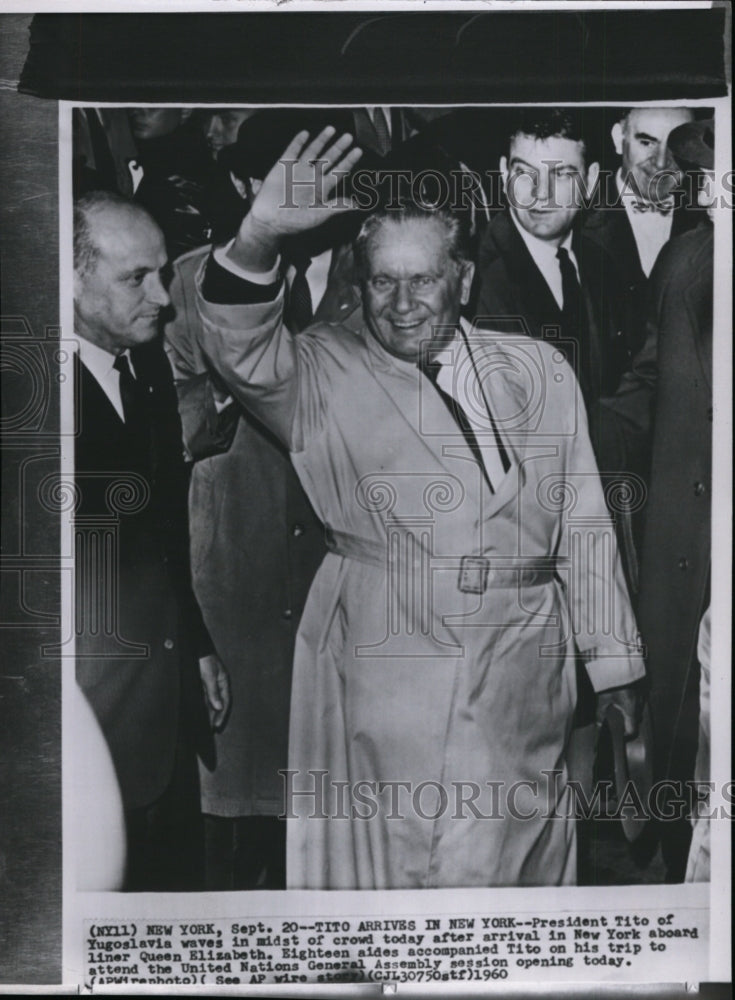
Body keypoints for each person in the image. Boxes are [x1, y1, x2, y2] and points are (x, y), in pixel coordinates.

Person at [194, 127, 645, 890]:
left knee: (517, 876)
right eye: (381, 282)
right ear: (359, 281)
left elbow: (582, 523)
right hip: (386, 668)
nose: (401, 305)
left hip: (524, 676)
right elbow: (237, 345)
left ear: (462, 280)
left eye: (423, 280)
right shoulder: (319, 369)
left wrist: (615, 670)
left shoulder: (537, 368)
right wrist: (257, 236)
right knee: (402, 877)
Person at [163, 109, 354, 890]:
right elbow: (171, 432)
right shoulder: (186, 280)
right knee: (237, 832)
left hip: (345, 591)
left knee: (341, 828)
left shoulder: (375, 280)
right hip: (237, 585)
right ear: (246, 184)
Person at [73, 190, 231, 890]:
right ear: (69, 275)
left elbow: (165, 526)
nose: (163, 296)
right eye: (135, 277)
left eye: (162, 272)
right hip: (84, 725)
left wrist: (193, 643)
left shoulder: (144, 368)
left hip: (164, 713)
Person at [597, 118, 714, 881]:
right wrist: (572, 426)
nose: (697, 187)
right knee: (683, 753)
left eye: (707, 172)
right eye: (699, 173)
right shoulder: (686, 260)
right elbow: (646, 384)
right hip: (687, 563)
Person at [583, 107, 698, 353]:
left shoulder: (709, 223)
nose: (660, 162)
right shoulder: (576, 221)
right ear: (618, 138)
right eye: (647, 142)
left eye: (677, 145)